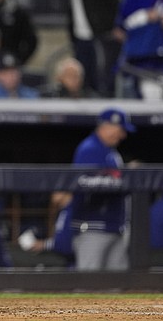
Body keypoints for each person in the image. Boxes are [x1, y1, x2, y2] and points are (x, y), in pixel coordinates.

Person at [70, 107, 136, 271]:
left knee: (117, 285)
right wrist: (124, 178)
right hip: (93, 227)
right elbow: (86, 183)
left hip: (113, 226)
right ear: (106, 126)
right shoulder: (90, 149)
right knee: (89, 285)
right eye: (120, 130)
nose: (123, 135)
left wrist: (125, 174)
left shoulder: (110, 152)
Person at [63, 0, 121, 96]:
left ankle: (102, 100)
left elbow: (112, 2)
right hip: (81, 36)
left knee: (101, 73)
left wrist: (114, 26)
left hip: (99, 34)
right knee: (84, 75)